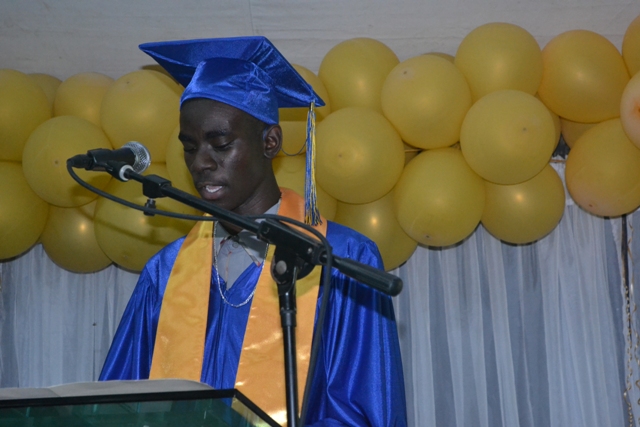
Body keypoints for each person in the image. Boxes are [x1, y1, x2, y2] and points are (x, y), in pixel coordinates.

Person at [99, 36, 407, 427]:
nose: (202, 164)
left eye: (220, 143)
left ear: (270, 142)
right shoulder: (165, 272)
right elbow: (115, 406)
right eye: (190, 147)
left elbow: (366, 409)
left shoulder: (339, 258)